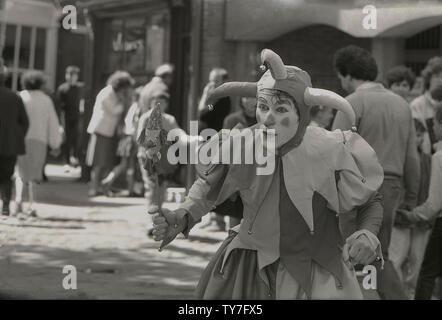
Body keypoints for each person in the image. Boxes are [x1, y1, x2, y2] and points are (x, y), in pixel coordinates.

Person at [150, 49, 384, 299]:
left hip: (316, 270)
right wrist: (183, 215)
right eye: (263, 106)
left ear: (302, 114)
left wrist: (367, 233)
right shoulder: (243, 143)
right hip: (250, 269)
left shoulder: (330, 148)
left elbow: (371, 201)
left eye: (281, 109)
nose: (268, 119)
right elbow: (208, 188)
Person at [332, 45, 421, 300]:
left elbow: (334, 152)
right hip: (392, 185)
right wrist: (411, 197)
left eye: (341, 76)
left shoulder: (351, 102)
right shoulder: (402, 104)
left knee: (356, 251)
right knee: (376, 251)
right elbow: (411, 157)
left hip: (356, 186)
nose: (341, 81)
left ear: (347, 74)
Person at [398, 106, 442, 300]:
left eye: (435, 124)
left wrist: (412, 215)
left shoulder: (438, 157)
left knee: (427, 273)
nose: (433, 128)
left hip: (434, 222)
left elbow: (435, 203)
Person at [389, 119, 432, 295]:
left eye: (421, 135)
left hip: (421, 218)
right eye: (416, 135)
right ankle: (397, 294)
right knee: (396, 260)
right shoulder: (397, 159)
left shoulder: (428, 160)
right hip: (401, 216)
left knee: (417, 261)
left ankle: (410, 293)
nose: (418, 139)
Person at [15, 71, 62, 217]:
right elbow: (52, 123)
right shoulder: (46, 100)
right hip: (39, 140)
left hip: (21, 139)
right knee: (35, 174)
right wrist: (55, 143)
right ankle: (32, 204)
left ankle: (18, 201)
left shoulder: (20, 97)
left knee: (20, 173)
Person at [86, 71, 134, 197]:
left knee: (106, 161)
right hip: (101, 130)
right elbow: (114, 110)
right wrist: (124, 102)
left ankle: (102, 187)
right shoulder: (106, 93)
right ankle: (94, 187)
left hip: (109, 131)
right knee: (98, 162)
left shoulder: (113, 94)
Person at [198, 68, 232, 231]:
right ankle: (212, 217)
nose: (211, 83)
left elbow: (204, 114)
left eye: (215, 80)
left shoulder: (222, 99)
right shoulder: (215, 99)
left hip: (217, 142)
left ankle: (218, 220)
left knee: (216, 181)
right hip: (209, 141)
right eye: (210, 80)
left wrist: (206, 97)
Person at [220, 97, 258, 229]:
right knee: (236, 213)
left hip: (259, 172)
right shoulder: (232, 120)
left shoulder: (265, 118)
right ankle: (232, 245)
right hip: (237, 171)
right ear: (241, 100)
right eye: (249, 98)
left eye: (256, 98)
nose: (253, 101)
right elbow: (225, 146)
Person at [0, 60, 29, 216]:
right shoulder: (14, 98)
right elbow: (25, 122)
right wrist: (16, 136)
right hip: (9, 144)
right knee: (6, 176)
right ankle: (5, 206)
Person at [101, 87, 142, 197]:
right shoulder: (137, 108)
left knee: (124, 164)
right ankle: (130, 188)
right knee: (131, 165)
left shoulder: (131, 107)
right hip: (132, 138)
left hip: (125, 137)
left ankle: (109, 179)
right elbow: (136, 124)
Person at [410, 57, 442, 155]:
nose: (441, 80)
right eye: (437, 76)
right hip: (425, 158)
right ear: (428, 79)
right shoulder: (417, 104)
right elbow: (417, 136)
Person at [56, 66, 85, 169]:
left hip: (79, 117)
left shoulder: (81, 88)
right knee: (67, 140)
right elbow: (59, 106)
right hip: (67, 117)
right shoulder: (62, 89)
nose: (71, 77)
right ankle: (66, 161)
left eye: (73, 75)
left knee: (78, 139)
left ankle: (76, 158)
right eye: (69, 74)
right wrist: (60, 122)